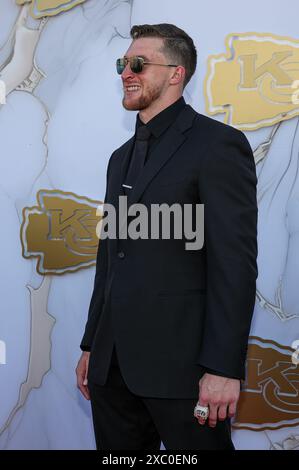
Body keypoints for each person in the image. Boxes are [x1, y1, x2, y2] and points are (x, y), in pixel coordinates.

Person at [76, 23, 258, 450]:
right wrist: (91, 345)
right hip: (112, 370)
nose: (126, 72)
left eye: (139, 63)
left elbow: (234, 264)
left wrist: (223, 368)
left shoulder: (218, 146)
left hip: (185, 375)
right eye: (123, 63)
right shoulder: (119, 158)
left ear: (176, 74)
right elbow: (110, 257)